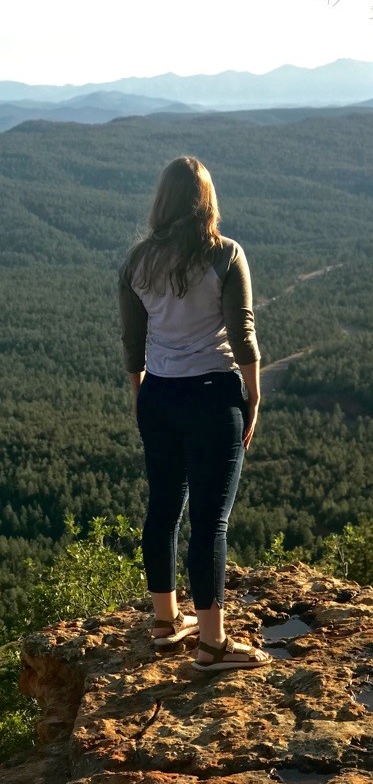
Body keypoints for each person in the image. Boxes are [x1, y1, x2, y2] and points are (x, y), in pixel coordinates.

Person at [118, 155, 271, 672]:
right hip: (211, 395)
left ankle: (165, 623)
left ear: (162, 201)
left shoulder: (137, 261)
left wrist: (140, 392)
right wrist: (253, 393)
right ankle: (212, 645)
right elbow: (243, 333)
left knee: (163, 509)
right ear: (206, 200)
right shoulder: (225, 255)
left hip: (159, 395)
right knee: (210, 522)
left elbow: (133, 343)